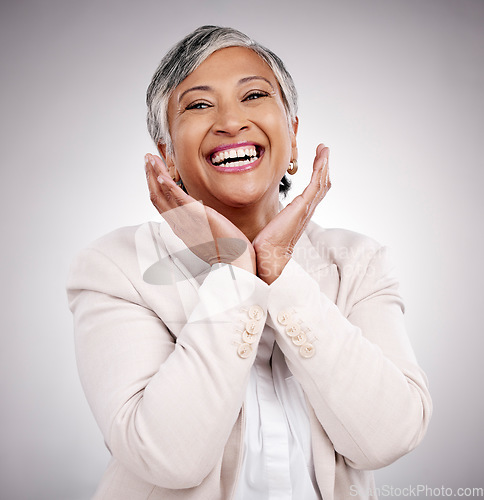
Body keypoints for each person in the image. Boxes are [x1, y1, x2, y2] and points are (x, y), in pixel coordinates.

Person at [67, 25, 432, 500]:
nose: (230, 122)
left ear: (293, 138)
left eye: (254, 95)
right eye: (198, 105)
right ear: (168, 158)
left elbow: (389, 437)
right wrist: (236, 272)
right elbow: (166, 459)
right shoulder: (114, 267)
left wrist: (280, 270)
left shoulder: (356, 261)